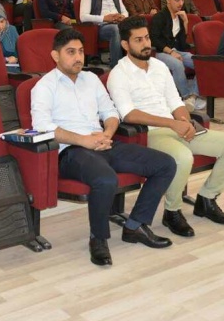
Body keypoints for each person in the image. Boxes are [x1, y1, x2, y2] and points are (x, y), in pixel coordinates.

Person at [31, 29, 177, 266]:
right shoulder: (44, 86)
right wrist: (83, 140)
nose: (78, 57)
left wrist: (107, 133)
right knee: (106, 179)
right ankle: (98, 239)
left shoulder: (91, 79)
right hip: (71, 151)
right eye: (71, 52)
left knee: (165, 164)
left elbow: (110, 112)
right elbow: (42, 127)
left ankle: (135, 225)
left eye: (81, 51)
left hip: (103, 143)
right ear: (55, 56)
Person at [108, 17, 224, 233]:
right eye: (138, 40)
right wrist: (172, 124)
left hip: (174, 127)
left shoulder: (159, 66)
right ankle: (172, 212)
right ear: (125, 44)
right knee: (182, 157)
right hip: (148, 134)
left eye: (147, 38)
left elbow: (175, 101)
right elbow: (129, 114)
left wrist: (185, 122)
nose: (146, 44)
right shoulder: (118, 74)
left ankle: (206, 200)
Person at [150, 0, 204, 112]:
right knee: (178, 64)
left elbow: (182, 44)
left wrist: (185, 23)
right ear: (168, 0)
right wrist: (171, 52)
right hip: (160, 52)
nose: (180, 3)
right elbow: (154, 40)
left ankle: (193, 96)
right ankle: (185, 97)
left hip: (176, 50)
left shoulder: (180, 16)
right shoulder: (159, 17)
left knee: (202, 63)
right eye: (177, 0)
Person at [80, 0, 128, 68]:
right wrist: (104, 18)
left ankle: (133, 64)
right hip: (100, 27)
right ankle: (116, 66)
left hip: (118, 23)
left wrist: (122, 16)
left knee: (137, 27)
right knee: (115, 29)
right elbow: (83, 17)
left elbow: (125, 12)